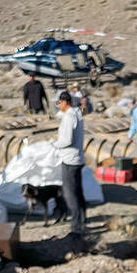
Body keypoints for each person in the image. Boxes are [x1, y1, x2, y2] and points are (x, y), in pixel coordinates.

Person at [53, 90, 87, 244]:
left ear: (65, 102)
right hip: (77, 158)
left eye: (58, 102)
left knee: (70, 194)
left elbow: (67, 140)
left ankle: (76, 228)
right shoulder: (76, 114)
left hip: (70, 159)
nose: (57, 105)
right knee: (78, 192)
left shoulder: (69, 117)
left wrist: (53, 144)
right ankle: (82, 220)